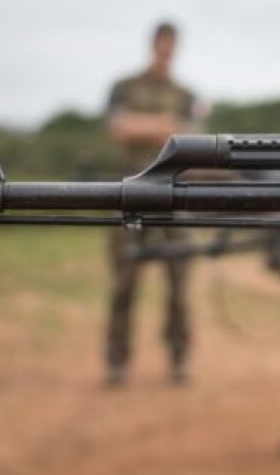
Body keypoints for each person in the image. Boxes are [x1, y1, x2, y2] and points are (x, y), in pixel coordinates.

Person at [103, 21, 197, 386]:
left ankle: (178, 360)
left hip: (174, 193)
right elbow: (120, 127)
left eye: (172, 45)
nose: (166, 50)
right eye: (162, 44)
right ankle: (116, 361)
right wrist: (165, 124)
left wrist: (149, 125)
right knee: (124, 281)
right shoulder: (124, 86)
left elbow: (188, 134)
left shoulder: (185, 93)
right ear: (153, 44)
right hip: (130, 190)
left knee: (179, 284)